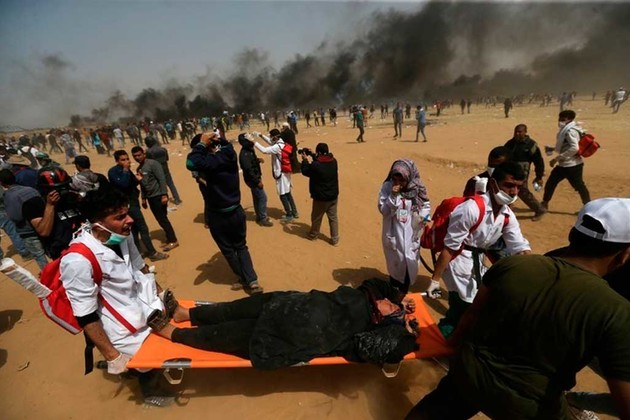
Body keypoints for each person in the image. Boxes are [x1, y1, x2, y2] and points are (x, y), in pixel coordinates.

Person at [408, 198, 630, 419]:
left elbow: (471, 316)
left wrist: (451, 347)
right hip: (531, 405)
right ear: (624, 255)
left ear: (572, 234)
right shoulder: (615, 310)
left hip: (470, 375)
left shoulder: (512, 265)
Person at [59, 188, 174, 406]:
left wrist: (161, 295)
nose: (130, 220)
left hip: (143, 310)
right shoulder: (77, 261)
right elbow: (85, 315)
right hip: (121, 329)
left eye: (127, 213)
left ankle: (134, 369)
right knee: (147, 364)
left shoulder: (122, 235)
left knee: (161, 349)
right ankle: (151, 394)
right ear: (97, 226)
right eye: (120, 217)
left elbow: (140, 267)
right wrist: (112, 355)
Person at [147, 278, 419, 370]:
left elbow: (391, 349)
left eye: (392, 307)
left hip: (284, 335)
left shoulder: (365, 333)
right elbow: (377, 284)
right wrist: (400, 298)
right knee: (232, 309)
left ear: (384, 322)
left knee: (225, 334)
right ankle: (186, 314)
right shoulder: (368, 295)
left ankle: (175, 334)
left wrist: (406, 332)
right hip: (286, 303)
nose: (388, 301)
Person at [427, 162, 531, 338]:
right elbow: (450, 248)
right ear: (493, 184)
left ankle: (452, 338)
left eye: (518, 187)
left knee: (478, 306)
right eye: (509, 185)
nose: (514, 192)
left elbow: (519, 247)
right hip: (457, 261)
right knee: (464, 308)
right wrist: (435, 280)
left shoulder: (506, 215)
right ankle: (442, 339)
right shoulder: (471, 208)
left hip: (477, 263)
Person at [187, 132, 262, 293]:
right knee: (241, 246)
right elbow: (226, 145)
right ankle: (252, 280)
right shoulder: (229, 153)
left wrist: (201, 144)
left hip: (218, 215)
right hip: (236, 210)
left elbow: (191, 163)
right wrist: (217, 138)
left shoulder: (210, 162)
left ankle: (243, 278)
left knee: (228, 250)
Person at [378, 159, 431, 295]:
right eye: (395, 179)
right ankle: (395, 294)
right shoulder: (387, 187)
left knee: (409, 269)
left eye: (401, 180)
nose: (398, 183)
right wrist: (393, 196)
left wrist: (423, 218)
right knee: (396, 270)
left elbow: (425, 205)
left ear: (409, 177)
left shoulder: (418, 187)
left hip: (412, 233)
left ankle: (402, 293)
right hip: (393, 234)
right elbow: (384, 210)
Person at [108, 150, 168, 261]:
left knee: (134, 229)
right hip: (127, 205)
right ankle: (152, 253)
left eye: (127, 159)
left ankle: (139, 253)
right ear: (117, 161)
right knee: (142, 228)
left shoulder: (126, 171)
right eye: (123, 160)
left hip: (133, 202)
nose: (127, 161)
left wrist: (138, 179)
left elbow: (132, 183)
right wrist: (126, 170)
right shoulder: (114, 172)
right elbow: (123, 184)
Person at [23, 166, 85, 259]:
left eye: (65, 186)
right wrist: (50, 205)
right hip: (65, 254)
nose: (64, 191)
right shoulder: (34, 204)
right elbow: (44, 231)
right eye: (59, 188)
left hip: (86, 245)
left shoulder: (71, 198)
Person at [131, 146, 179, 252]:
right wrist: (143, 198)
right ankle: (169, 237)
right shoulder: (139, 169)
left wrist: (164, 195)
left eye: (139, 155)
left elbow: (162, 179)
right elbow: (143, 185)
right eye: (135, 156)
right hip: (150, 198)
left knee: (162, 219)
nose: (137, 158)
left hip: (158, 196)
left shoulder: (153, 164)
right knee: (160, 218)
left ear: (144, 154)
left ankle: (173, 240)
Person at [542, 110, 591, 211]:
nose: (560, 121)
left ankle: (589, 208)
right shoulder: (572, 129)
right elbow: (566, 146)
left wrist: (556, 158)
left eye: (562, 119)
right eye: (559, 118)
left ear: (569, 119)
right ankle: (544, 203)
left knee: (579, 186)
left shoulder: (570, 131)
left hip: (571, 165)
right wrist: (553, 149)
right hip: (567, 164)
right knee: (551, 183)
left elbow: (574, 148)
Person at [0, 169, 49, 269]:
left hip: (27, 231)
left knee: (39, 255)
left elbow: (15, 217)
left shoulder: (9, 196)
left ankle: (48, 274)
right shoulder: (30, 189)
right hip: (44, 225)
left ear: (2, 183)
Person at [254, 129, 299, 223]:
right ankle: (294, 212)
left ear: (275, 137)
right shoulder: (282, 143)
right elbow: (270, 142)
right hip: (286, 172)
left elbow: (264, 150)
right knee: (288, 193)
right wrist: (261, 136)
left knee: (282, 194)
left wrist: (253, 142)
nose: (270, 138)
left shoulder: (277, 147)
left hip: (281, 173)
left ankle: (289, 214)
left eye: (271, 136)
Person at [504, 124, 547, 221]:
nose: (517, 134)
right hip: (510, 171)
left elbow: (538, 162)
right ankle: (506, 209)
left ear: (525, 132)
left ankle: (539, 209)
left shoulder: (531, 145)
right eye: (516, 132)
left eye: (520, 132)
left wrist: (539, 176)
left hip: (522, 173)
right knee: (505, 189)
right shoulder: (510, 144)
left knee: (522, 191)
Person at [300, 143, 339, 245]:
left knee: (316, 217)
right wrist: (313, 154)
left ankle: (313, 235)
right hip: (333, 196)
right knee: (333, 218)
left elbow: (305, 171)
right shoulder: (334, 161)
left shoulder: (316, 165)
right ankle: (335, 238)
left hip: (321, 197)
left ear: (319, 153)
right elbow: (322, 161)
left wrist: (305, 160)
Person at [237, 133, 272, 227]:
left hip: (254, 177)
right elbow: (248, 170)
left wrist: (258, 160)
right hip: (252, 180)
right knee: (263, 197)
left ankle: (259, 216)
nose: (251, 140)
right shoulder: (244, 154)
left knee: (257, 197)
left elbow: (251, 162)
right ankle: (263, 218)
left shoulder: (249, 150)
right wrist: (257, 181)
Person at [144, 136, 182, 205]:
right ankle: (177, 199)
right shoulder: (163, 149)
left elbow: (149, 162)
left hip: (156, 170)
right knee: (171, 184)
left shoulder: (148, 152)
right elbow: (167, 158)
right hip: (165, 168)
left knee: (160, 185)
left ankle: (163, 200)